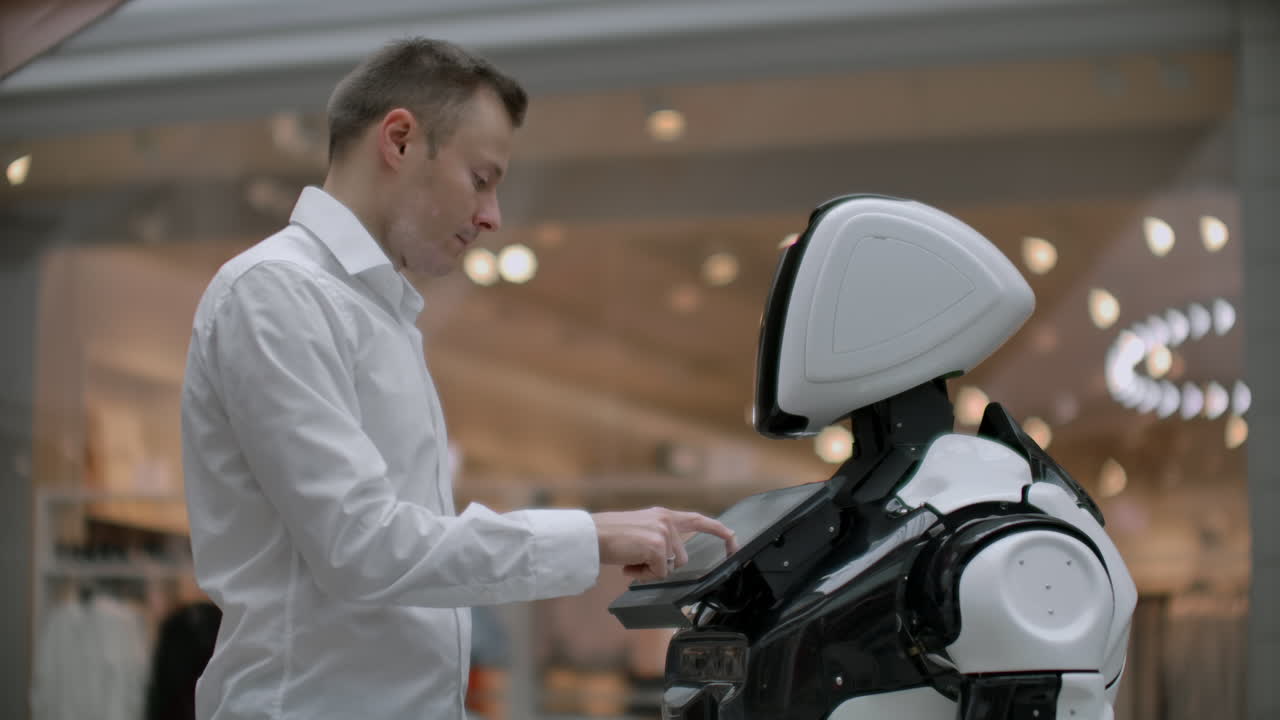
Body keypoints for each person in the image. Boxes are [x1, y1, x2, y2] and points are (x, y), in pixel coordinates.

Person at [180, 37, 737, 720]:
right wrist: (588, 537)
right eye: (481, 179)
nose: (492, 216)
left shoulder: (373, 312)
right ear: (400, 140)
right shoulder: (277, 293)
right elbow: (360, 546)